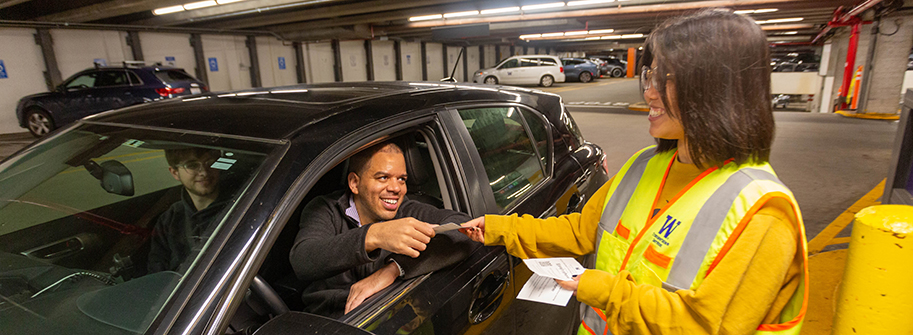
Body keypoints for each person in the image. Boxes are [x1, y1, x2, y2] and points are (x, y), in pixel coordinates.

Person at [460, 10, 808, 335]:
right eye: (650, 75)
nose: (649, 91)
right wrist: (499, 227)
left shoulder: (763, 213)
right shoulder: (645, 164)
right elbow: (582, 230)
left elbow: (703, 326)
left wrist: (599, 289)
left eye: (666, 79)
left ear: (716, 90)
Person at [290, 141, 474, 318]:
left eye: (401, 179)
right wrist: (373, 236)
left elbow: (467, 230)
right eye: (383, 177)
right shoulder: (326, 209)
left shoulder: (409, 211)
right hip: (328, 320)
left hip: (386, 317)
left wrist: (393, 269)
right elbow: (303, 260)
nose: (396, 188)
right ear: (354, 183)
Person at [148, 148, 230, 273]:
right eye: (192, 165)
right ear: (175, 173)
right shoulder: (170, 219)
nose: (204, 172)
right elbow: (156, 271)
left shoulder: (239, 209)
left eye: (210, 163)